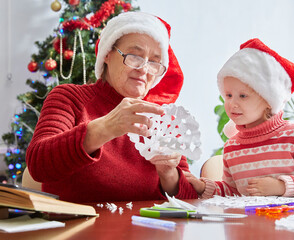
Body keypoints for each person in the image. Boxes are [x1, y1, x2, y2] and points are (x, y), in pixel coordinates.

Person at [26, 12, 198, 203]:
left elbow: (190, 197)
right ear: (107, 54)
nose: (144, 69)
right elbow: (38, 165)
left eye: (154, 62)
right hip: (81, 229)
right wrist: (106, 127)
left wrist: (169, 175)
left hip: (148, 231)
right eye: (134, 56)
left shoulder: (162, 117)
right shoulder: (69, 98)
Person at [185, 38, 294, 198]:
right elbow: (232, 192)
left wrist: (281, 187)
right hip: (250, 223)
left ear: (269, 101)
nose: (231, 103)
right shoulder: (232, 147)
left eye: (243, 96)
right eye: (228, 95)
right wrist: (202, 186)